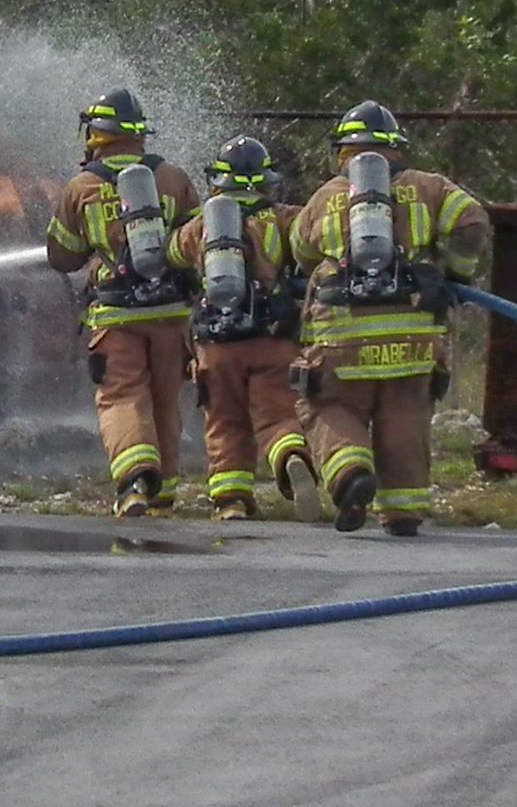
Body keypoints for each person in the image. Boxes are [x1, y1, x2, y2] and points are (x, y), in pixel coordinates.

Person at [289, 101, 490, 536]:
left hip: (342, 339)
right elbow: (472, 223)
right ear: (396, 148)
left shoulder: (326, 196)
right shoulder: (430, 187)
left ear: (343, 151)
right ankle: (403, 512)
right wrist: (452, 271)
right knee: (406, 418)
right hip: (414, 339)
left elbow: (301, 252)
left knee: (327, 405)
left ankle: (350, 474)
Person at [45, 88, 200, 517]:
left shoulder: (82, 187)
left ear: (96, 133)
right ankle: (164, 497)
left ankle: (133, 483)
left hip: (117, 313)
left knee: (122, 396)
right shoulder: (172, 178)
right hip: (171, 313)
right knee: (166, 400)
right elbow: (199, 240)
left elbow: (61, 256)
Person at [167, 135, 315, 521]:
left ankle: (231, 499)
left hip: (217, 345)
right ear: (267, 181)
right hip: (272, 337)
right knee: (279, 413)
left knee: (224, 421)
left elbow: (172, 253)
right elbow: (311, 244)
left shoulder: (202, 227)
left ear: (218, 181)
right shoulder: (284, 218)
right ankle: (290, 456)